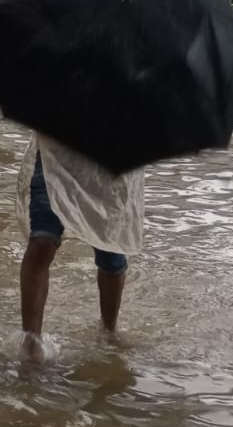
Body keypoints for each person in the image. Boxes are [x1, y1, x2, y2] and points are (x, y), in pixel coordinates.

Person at [17, 134, 144, 361]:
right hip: (55, 155)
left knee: (111, 254)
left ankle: (108, 331)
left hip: (110, 162)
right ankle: (31, 342)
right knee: (42, 242)